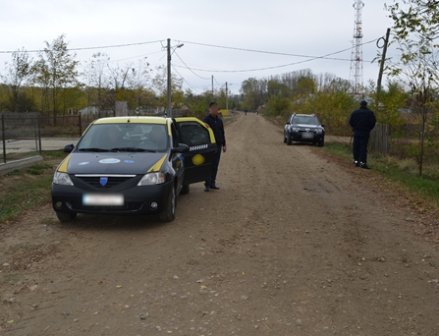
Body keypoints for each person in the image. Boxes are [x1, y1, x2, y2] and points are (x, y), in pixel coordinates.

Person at [204, 102, 226, 192]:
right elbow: (203, 133)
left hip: (218, 145)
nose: (215, 110)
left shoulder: (219, 120)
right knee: (209, 165)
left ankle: (213, 183)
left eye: (216, 108)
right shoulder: (206, 120)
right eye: (213, 108)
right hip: (210, 146)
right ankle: (207, 185)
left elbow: (222, 133)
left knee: (215, 165)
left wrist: (224, 144)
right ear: (209, 109)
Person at [349, 100, 376, 169]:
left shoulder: (355, 112)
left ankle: (356, 162)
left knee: (356, 147)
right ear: (366, 105)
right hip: (365, 132)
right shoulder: (370, 113)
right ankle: (363, 163)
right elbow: (373, 122)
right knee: (363, 147)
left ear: (360, 105)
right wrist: (369, 129)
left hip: (357, 132)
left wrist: (354, 127)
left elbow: (351, 122)